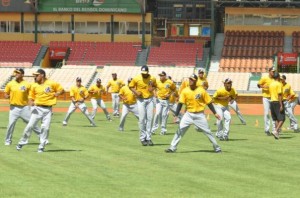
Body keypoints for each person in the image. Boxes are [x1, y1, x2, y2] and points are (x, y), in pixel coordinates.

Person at [165, 74, 221, 153]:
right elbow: (180, 103)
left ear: (195, 81)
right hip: (188, 114)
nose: (190, 80)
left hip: (199, 115)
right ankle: (172, 147)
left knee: (208, 132)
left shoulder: (201, 90)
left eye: (192, 79)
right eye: (190, 79)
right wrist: (176, 115)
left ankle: (217, 148)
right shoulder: (185, 91)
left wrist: (215, 113)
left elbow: (209, 102)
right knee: (180, 130)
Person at [16, 69, 64, 153]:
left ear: (42, 75)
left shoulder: (52, 83)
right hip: (37, 109)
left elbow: (62, 90)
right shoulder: (34, 86)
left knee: (45, 128)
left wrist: (58, 93)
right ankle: (22, 142)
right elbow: (30, 97)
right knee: (30, 126)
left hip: (48, 109)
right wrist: (31, 104)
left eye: (37, 75)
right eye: (35, 75)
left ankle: (41, 146)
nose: (35, 77)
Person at [4, 68, 41, 146]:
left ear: (22, 75)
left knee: (32, 123)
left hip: (24, 108)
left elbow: (31, 94)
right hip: (13, 108)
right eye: (16, 73)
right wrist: (7, 96)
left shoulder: (27, 84)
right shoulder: (10, 83)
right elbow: (5, 94)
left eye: (18, 73)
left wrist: (33, 102)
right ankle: (8, 141)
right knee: (11, 124)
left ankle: (41, 137)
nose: (16, 74)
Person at [129, 65, 157, 146]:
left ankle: (149, 138)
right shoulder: (136, 78)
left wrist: (153, 88)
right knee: (142, 119)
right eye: (142, 73)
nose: (143, 74)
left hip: (150, 99)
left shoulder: (152, 78)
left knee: (150, 119)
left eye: (145, 73)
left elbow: (155, 85)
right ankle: (142, 138)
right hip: (141, 100)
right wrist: (136, 92)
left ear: (148, 72)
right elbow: (130, 86)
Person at [152, 71, 176, 135]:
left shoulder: (170, 82)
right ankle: (153, 129)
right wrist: (154, 93)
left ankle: (163, 130)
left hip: (166, 100)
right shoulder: (157, 81)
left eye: (162, 75)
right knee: (157, 113)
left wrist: (170, 94)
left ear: (165, 76)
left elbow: (174, 89)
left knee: (164, 115)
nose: (161, 77)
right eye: (160, 75)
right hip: (159, 100)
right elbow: (153, 88)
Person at [257, 67, 275, 135]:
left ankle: (274, 130)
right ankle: (267, 130)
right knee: (267, 113)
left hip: (273, 98)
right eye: (272, 71)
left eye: (274, 71)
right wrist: (264, 87)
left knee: (274, 114)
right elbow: (258, 85)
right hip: (266, 98)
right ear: (269, 71)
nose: (273, 72)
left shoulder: (275, 79)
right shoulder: (265, 78)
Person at [269, 72, 285, 139]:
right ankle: (276, 131)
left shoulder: (271, 84)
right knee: (282, 118)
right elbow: (279, 95)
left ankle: (277, 133)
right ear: (278, 77)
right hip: (277, 102)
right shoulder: (279, 84)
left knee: (276, 119)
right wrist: (281, 105)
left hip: (271, 102)